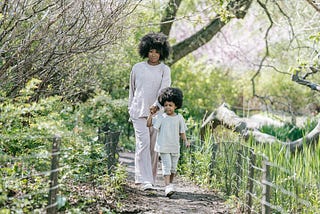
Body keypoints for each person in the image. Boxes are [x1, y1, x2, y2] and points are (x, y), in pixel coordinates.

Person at [128, 32, 171, 190]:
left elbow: (164, 90)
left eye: (157, 52)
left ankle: (151, 180)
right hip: (138, 112)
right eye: (151, 51)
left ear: (162, 53)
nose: (153, 54)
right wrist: (130, 108)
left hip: (157, 114)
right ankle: (143, 179)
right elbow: (132, 91)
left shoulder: (164, 70)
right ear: (145, 50)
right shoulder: (137, 68)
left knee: (154, 147)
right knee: (143, 144)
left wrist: (156, 106)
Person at [147, 87, 190, 197]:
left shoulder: (179, 118)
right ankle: (167, 186)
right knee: (167, 166)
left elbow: (182, 132)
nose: (168, 107)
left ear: (176, 106)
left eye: (170, 105)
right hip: (163, 146)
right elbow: (149, 125)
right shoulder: (161, 117)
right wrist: (150, 115)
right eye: (165, 105)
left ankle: (170, 184)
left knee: (173, 168)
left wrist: (186, 141)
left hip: (175, 146)